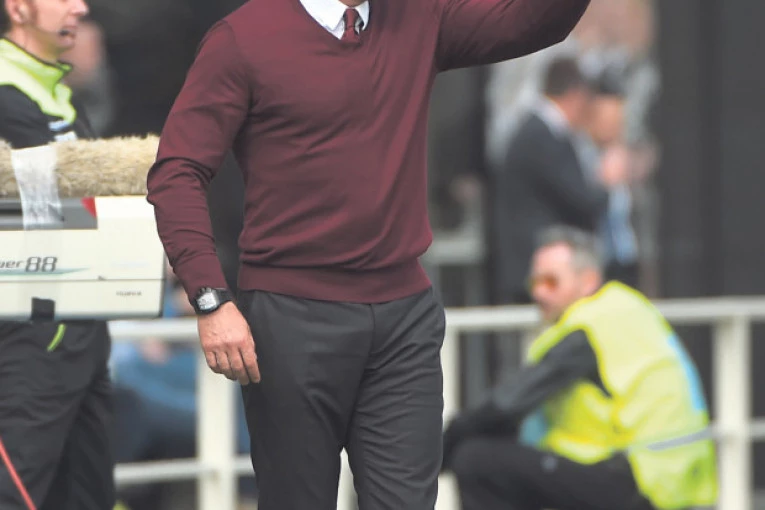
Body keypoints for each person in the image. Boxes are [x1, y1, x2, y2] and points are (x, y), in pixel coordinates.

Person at [145, 0, 592, 508]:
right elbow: (176, 171)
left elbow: (535, 22)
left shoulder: (418, 17)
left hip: (404, 321)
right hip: (292, 321)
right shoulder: (243, 38)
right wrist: (209, 297)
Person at [442, 225, 718, 510]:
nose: (538, 292)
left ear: (588, 281)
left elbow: (507, 404)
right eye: (534, 282)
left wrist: (438, 449)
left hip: (640, 480)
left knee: (476, 460)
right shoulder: (626, 309)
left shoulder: (587, 328)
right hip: (674, 480)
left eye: (551, 282)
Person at [0, 1, 115, 509]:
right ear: (18, 8)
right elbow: (55, 208)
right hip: (28, 331)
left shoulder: (60, 91)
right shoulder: (5, 92)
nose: (80, 8)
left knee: (89, 496)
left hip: (83, 325)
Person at [492, 55, 626, 306]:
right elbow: (581, 200)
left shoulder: (540, 133)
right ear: (576, 96)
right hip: (540, 274)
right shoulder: (541, 137)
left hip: (543, 272)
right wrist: (608, 182)